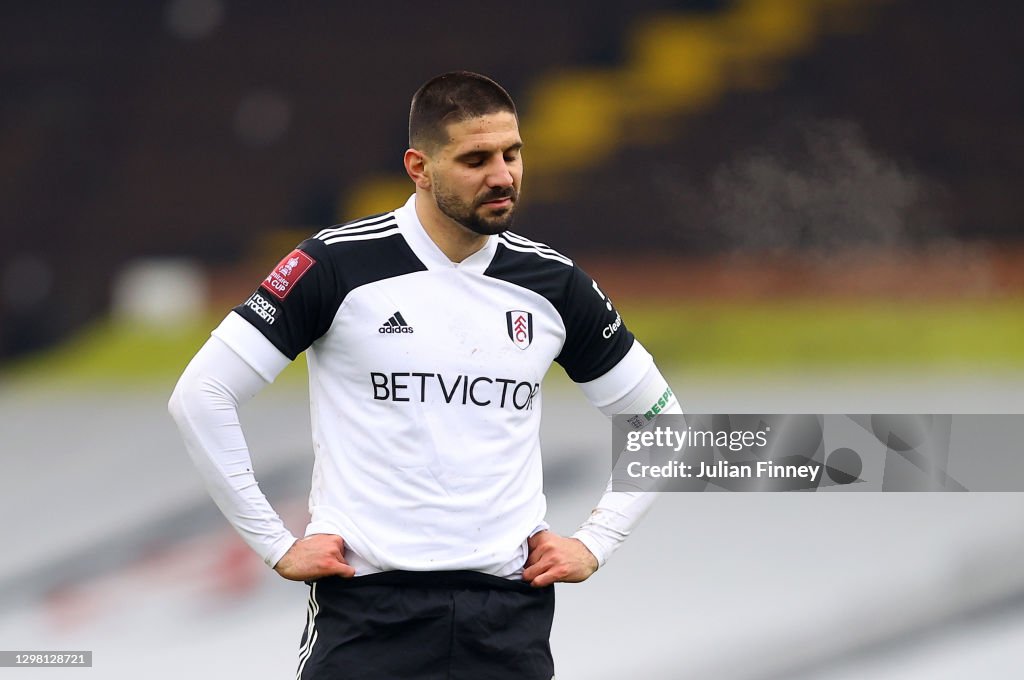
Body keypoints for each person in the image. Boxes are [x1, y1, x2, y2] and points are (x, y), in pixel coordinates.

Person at [169, 70, 681, 680]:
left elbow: (660, 422)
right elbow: (200, 395)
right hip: (368, 615)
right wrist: (275, 545)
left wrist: (598, 541)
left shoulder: (555, 283)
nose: (503, 175)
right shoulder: (335, 263)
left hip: (506, 621)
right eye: (475, 159)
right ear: (419, 166)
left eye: (512, 153)